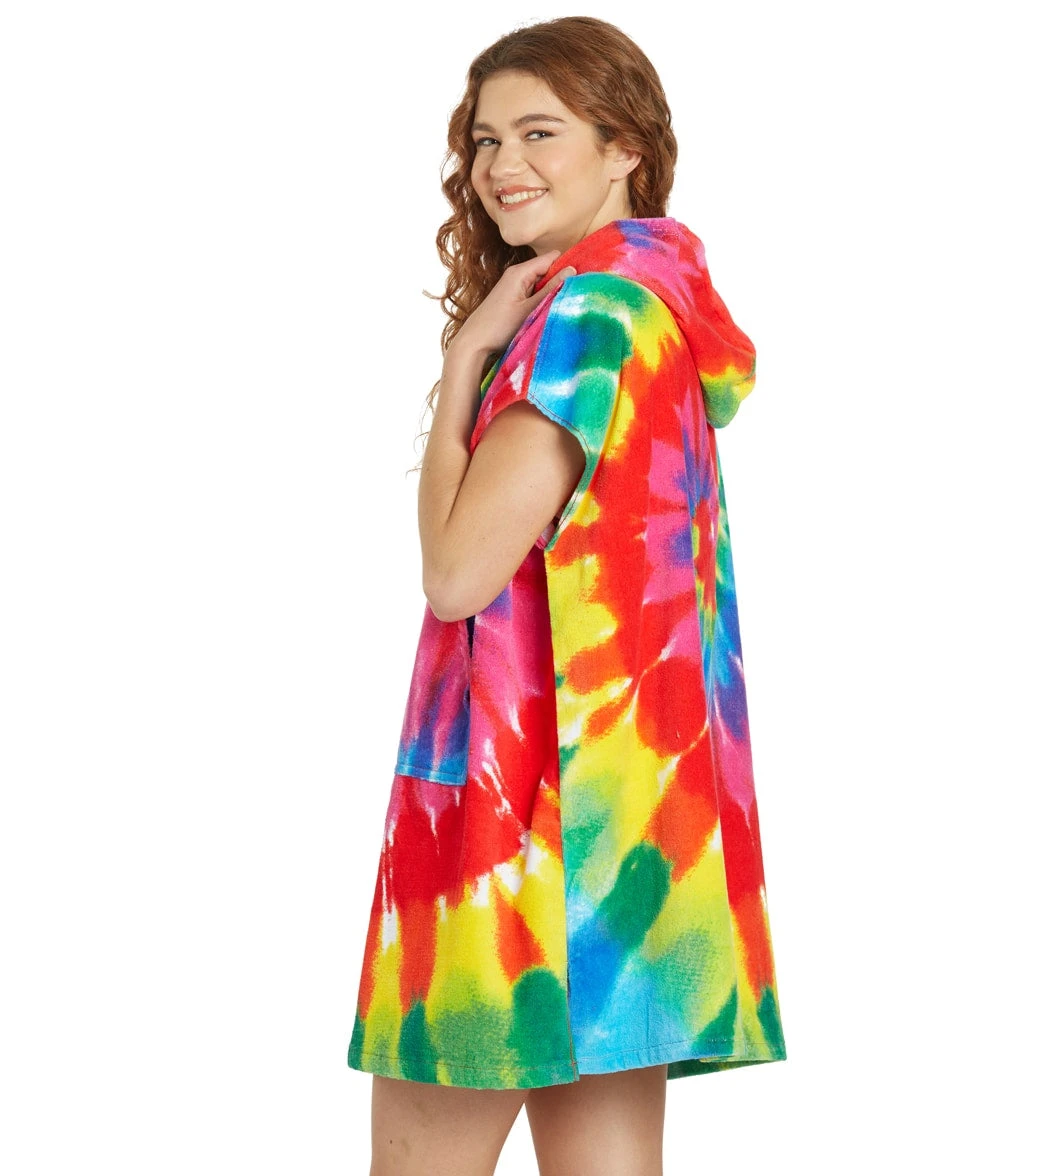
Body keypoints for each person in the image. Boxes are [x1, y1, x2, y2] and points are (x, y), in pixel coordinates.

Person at [346, 16, 787, 1175]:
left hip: (519, 831)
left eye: (540, 132)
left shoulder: (584, 316)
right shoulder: (661, 309)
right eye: (487, 139)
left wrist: (461, 370)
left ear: (624, 147)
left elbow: (456, 574)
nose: (503, 165)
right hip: (634, 836)